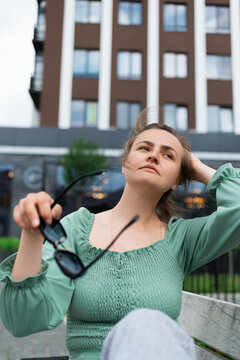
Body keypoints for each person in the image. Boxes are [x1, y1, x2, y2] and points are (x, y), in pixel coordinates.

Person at [1, 109, 240, 360]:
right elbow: (23, 321)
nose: (154, 156)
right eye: (144, 148)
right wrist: (31, 233)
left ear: (176, 181)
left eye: (167, 155)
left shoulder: (182, 239)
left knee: (146, 323)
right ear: (124, 165)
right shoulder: (75, 229)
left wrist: (194, 165)